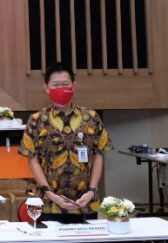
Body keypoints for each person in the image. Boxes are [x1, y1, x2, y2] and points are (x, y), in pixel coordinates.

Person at [18, 62, 113, 218]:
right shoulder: (36, 120)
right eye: (56, 85)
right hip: (49, 204)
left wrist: (91, 190)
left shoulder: (91, 117)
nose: (61, 89)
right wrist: (50, 193)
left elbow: (99, 155)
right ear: (46, 88)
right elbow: (32, 160)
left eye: (65, 84)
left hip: (85, 203)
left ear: (74, 86)